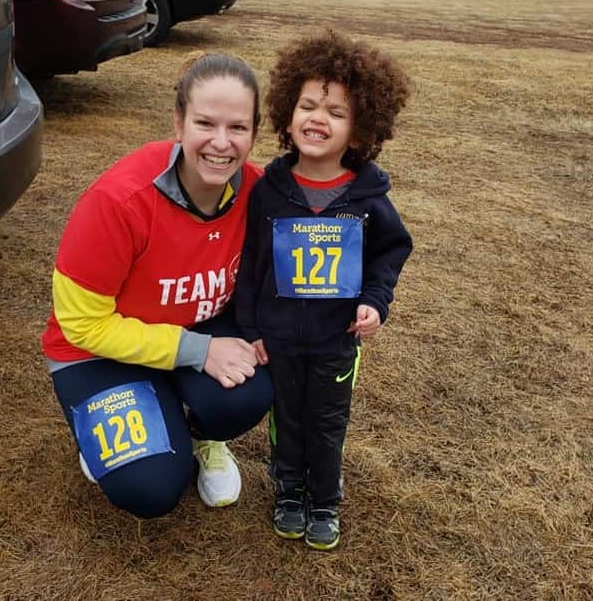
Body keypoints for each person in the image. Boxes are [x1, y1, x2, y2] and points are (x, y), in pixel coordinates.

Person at [41, 53, 273, 518]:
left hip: (194, 325)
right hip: (98, 349)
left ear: (254, 132)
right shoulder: (118, 201)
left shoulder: (257, 189)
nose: (221, 144)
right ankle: (121, 435)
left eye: (238, 128)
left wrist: (272, 326)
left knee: (249, 392)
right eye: (205, 123)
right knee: (150, 488)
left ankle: (202, 437)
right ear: (178, 122)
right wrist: (198, 351)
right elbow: (82, 326)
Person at [235, 30, 413, 550]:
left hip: (336, 340)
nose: (319, 118)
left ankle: (324, 499)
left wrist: (375, 302)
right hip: (278, 339)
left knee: (327, 421)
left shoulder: (368, 198)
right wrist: (250, 329)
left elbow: (390, 252)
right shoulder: (267, 193)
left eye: (337, 112)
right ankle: (288, 491)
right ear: (288, 114)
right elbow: (249, 265)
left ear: (360, 131)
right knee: (286, 419)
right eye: (309, 105)